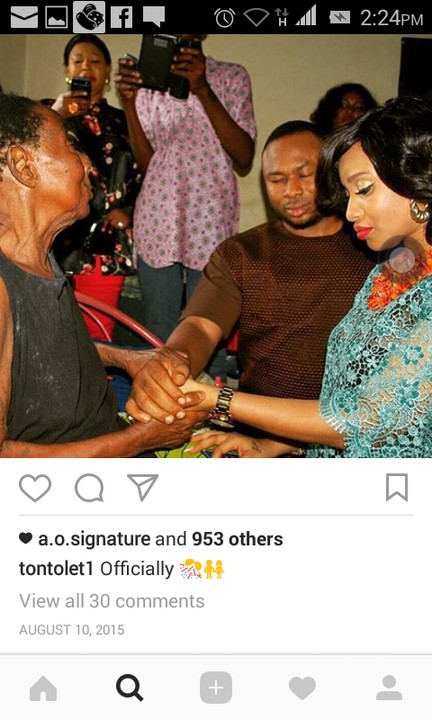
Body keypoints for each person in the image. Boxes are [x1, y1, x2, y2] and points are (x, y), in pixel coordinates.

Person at [180, 96, 432, 458]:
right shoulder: (390, 272)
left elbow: (365, 420)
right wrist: (270, 445)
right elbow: (358, 392)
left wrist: (217, 399)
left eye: (363, 189)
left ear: (416, 182)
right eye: (347, 194)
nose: (350, 210)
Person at [124, 121, 375, 455]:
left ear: (332, 171)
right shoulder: (242, 253)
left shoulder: (371, 247)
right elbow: (201, 325)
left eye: (305, 174)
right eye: (277, 179)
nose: (292, 190)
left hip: (354, 438)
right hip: (253, 437)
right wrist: (176, 357)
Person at [0, 93, 205, 458]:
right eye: (70, 145)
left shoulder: (39, 258)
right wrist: (142, 438)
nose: (87, 163)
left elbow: (42, 354)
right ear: (23, 165)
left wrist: (129, 359)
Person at [114, 34, 257, 373]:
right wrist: (130, 103)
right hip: (158, 219)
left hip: (210, 221)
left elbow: (244, 155)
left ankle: (211, 404)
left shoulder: (232, 76)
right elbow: (148, 164)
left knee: (209, 331)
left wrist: (203, 89)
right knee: (159, 335)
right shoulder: (150, 86)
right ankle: (161, 403)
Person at [49, 35, 144, 341]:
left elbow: (147, 174)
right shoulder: (49, 114)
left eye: (95, 61)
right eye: (77, 61)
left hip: (105, 239)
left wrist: (128, 210)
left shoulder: (125, 121)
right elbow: (26, 159)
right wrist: (60, 114)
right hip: (56, 237)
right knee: (51, 331)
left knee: (97, 335)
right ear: (67, 70)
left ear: (107, 71)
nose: (86, 67)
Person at [310, 82, 377, 136]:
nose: (350, 110)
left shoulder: (371, 147)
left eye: (358, 107)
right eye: (343, 105)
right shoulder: (316, 143)